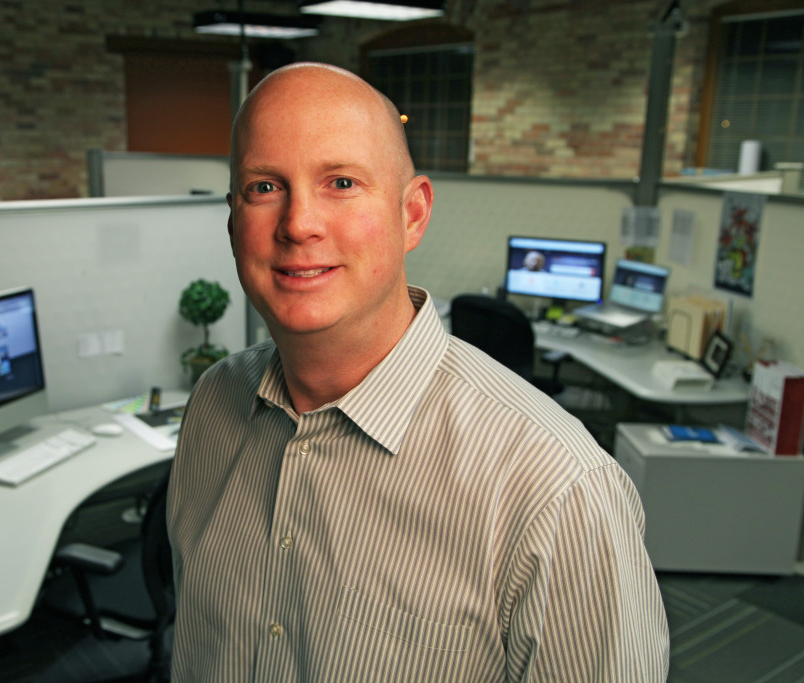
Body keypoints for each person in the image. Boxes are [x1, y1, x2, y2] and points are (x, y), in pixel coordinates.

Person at [167, 62, 669, 682]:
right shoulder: (214, 405)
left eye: (342, 182)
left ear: (413, 215)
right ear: (233, 223)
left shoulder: (559, 493)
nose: (298, 224)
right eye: (264, 187)